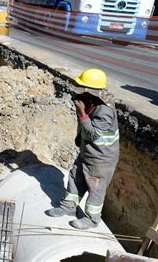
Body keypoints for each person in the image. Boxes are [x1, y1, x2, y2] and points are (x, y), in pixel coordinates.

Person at [46, 69, 119, 230]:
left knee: (95, 186)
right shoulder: (92, 103)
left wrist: (81, 112)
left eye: (84, 90)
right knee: (75, 176)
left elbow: (94, 134)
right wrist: (80, 138)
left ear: (92, 92)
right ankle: (69, 206)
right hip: (88, 153)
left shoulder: (105, 111)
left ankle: (92, 219)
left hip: (101, 159)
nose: (80, 94)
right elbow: (86, 128)